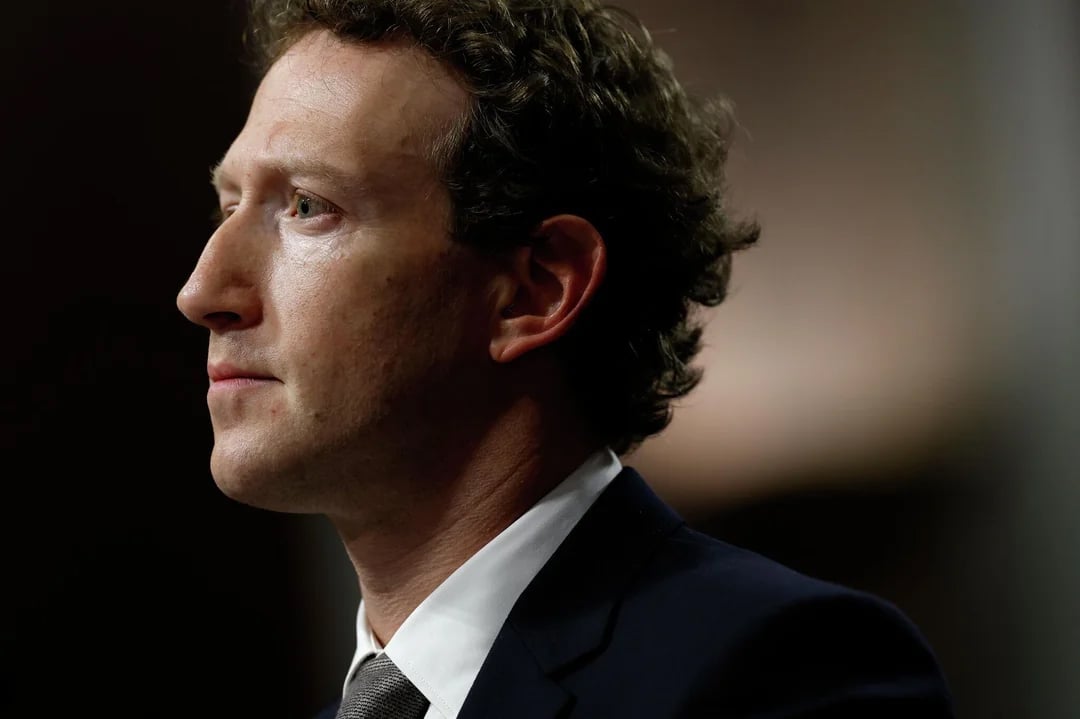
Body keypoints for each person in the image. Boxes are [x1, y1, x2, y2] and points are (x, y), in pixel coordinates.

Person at [176, 0, 955, 717]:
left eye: (309, 207)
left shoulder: (779, 673)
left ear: (536, 288)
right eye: (228, 203)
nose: (202, 289)